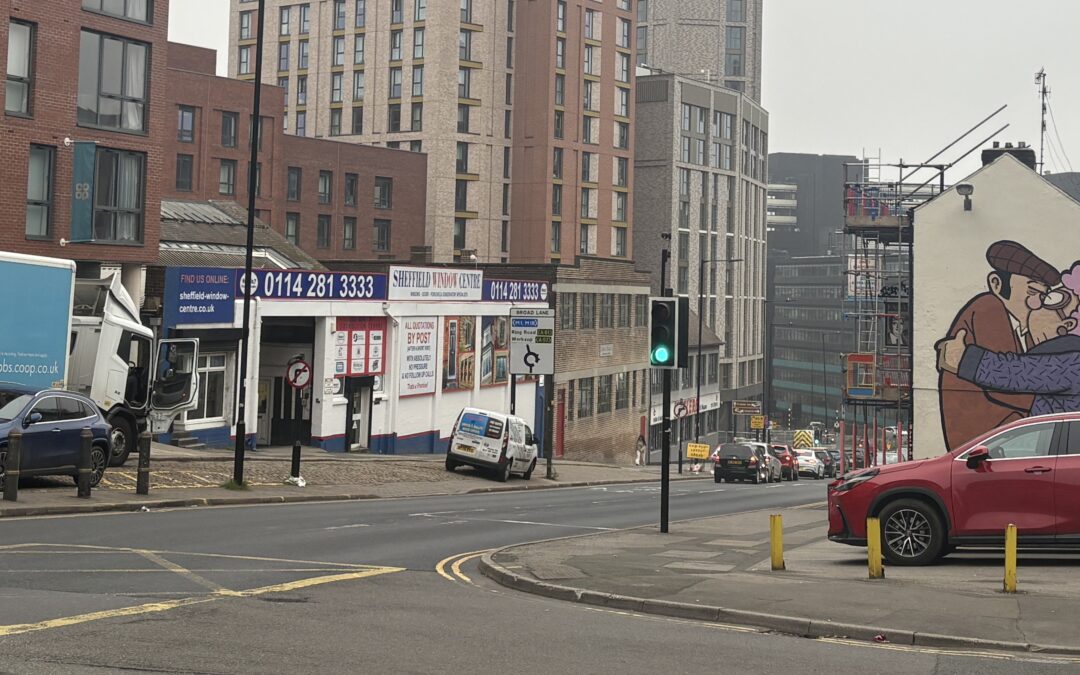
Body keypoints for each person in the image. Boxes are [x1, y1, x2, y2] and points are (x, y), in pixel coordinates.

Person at [938, 241, 1060, 450]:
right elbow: (1004, 383)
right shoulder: (989, 307)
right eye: (1031, 292)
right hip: (988, 443)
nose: (1036, 304)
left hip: (1006, 442)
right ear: (996, 284)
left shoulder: (1026, 330)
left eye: (1042, 295)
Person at [937, 263, 1080, 416]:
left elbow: (1013, 373)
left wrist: (963, 359)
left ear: (1067, 324)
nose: (1037, 304)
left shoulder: (1071, 364)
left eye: (1050, 299)